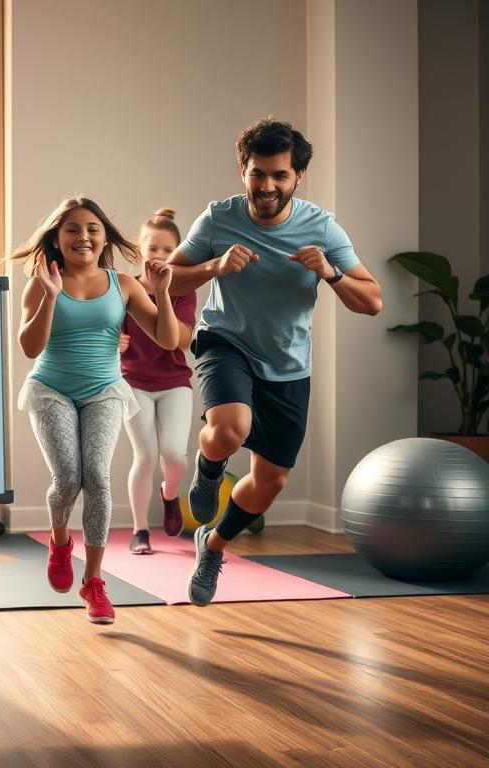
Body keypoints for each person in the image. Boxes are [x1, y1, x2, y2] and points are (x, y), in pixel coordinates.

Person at [168, 118, 383, 606]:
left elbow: (373, 301)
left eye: (279, 175)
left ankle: (213, 544)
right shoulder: (217, 218)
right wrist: (214, 266)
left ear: (297, 176)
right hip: (225, 343)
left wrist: (330, 272)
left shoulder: (321, 227)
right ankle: (208, 469)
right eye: (258, 174)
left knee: (271, 482)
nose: (267, 186)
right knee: (230, 429)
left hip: (287, 366)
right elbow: (165, 278)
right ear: (242, 171)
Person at [13, 196, 186, 624]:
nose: (83, 236)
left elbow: (168, 339)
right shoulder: (40, 284)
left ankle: (93, 581)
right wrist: (51, 296)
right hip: (51, 390)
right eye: (72, 229)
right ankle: (59, 542)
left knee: (97, 476)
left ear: (104, 237)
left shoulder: (123, 284)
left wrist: (162, 293)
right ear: (57, 238)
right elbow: (30, 348)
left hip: (104, 391)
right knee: (67, 479)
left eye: (92, 228)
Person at [119, 208, 197, 553]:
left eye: (168, 250)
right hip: (133, 382)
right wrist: (114, 341)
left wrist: (163, 292)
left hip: (174, 383)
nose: (160, 256)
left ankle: (170, 493)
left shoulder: (184, 291)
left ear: (178, 253)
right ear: (140, 249)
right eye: (153, 248)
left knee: (175, 456)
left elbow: (182, 340)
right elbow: (108, 334)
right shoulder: (125, 288)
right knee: (146, 455)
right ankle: (140, 531)